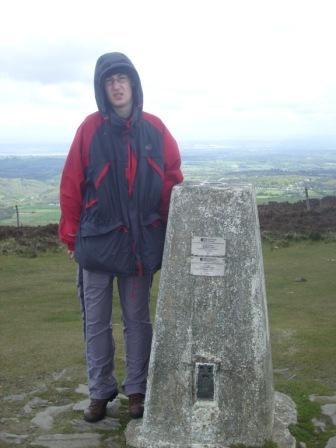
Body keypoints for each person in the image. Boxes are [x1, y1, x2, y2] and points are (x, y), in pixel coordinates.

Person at [59, 52, 183, 422]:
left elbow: (171, 182)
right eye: (109, 80)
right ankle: (99, 391)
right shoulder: (89, 129)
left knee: (137, 320)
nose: (116, 85)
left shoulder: (156, 129)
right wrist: (71, 237)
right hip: (96, 243)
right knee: (95, 322)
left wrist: (169, 232)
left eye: (122, 79)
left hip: (139, 246)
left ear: (133, 84)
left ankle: (137, 390)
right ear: (102, 88)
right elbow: (71, 184)